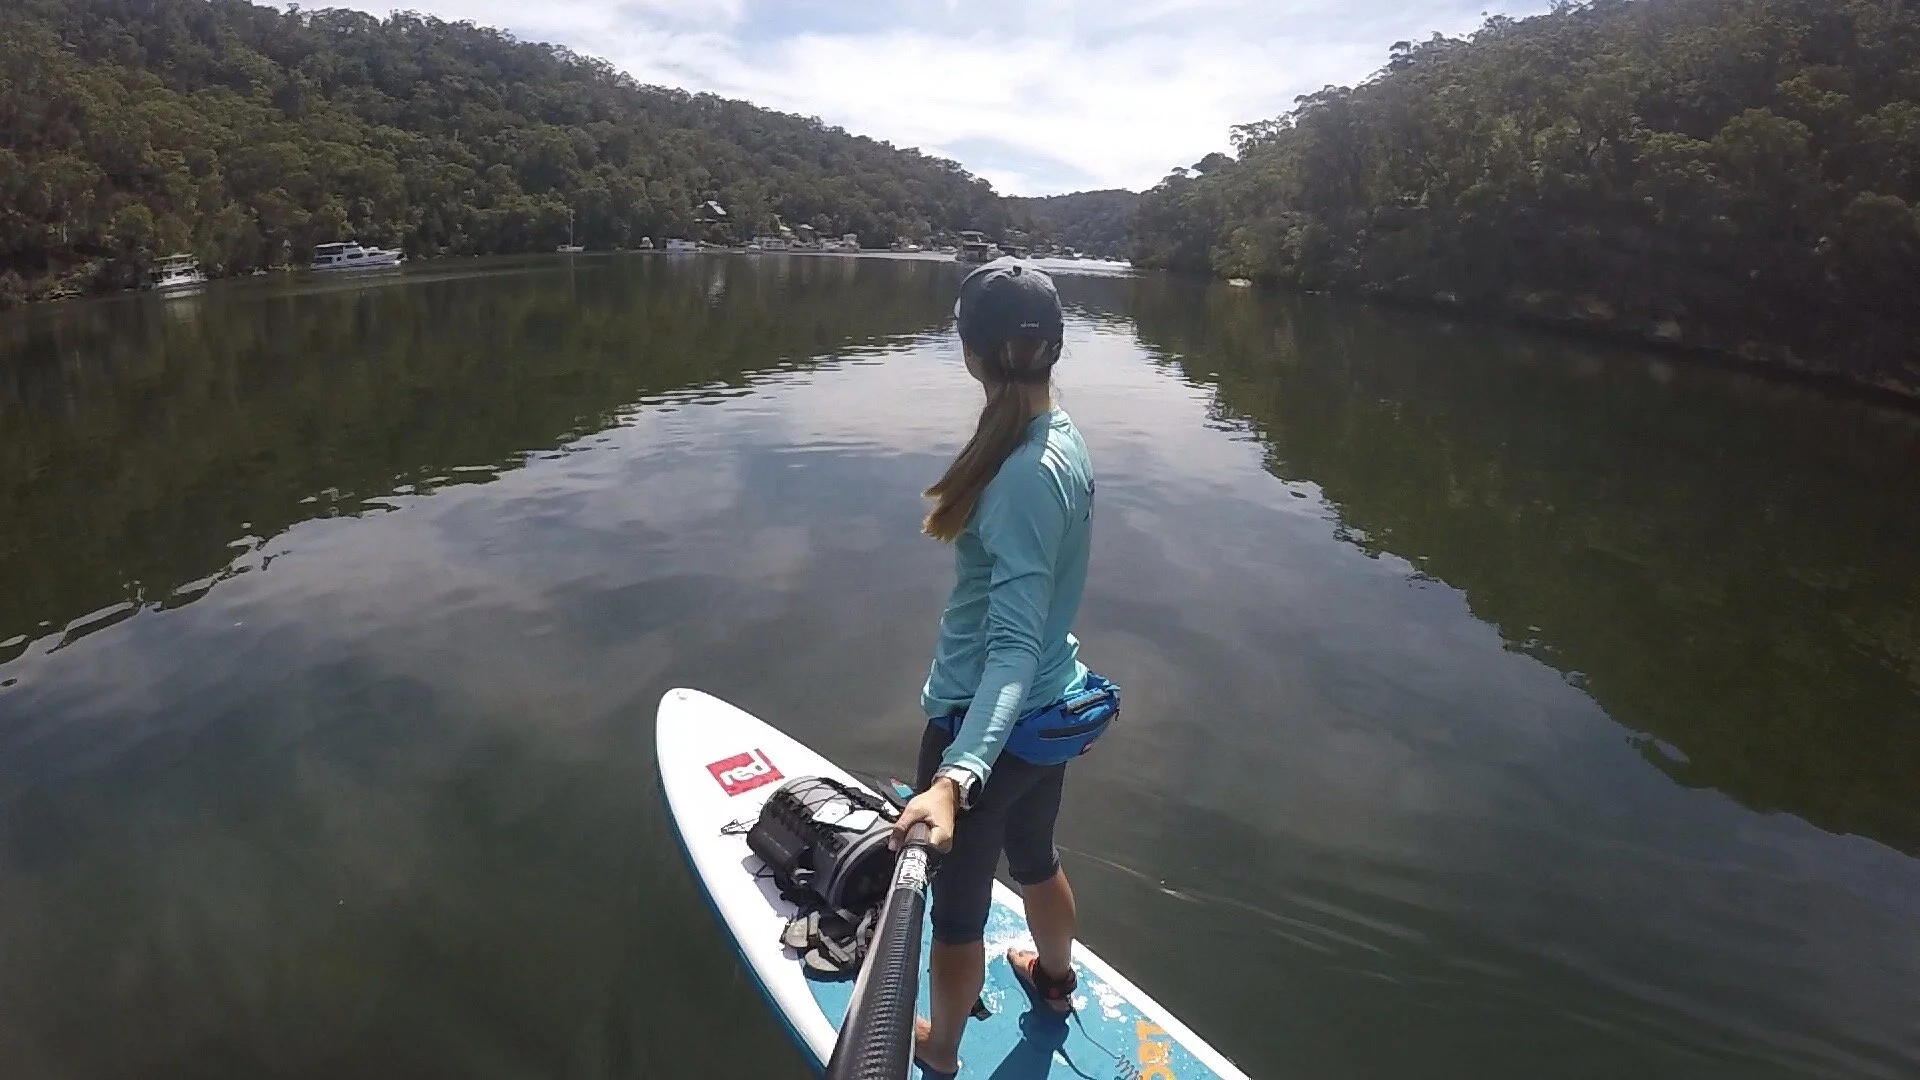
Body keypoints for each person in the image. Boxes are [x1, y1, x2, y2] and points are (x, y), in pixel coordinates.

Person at [890, 264, 1119, 1076]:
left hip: (982, 725)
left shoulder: (1020, 473)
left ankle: (941, 1049)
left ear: (970, 353)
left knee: (956, 916)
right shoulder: (1061, 439)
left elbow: (1011, 647)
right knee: (1035, 859)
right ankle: (1053, 982)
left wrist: (954, 780)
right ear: (1054, 347)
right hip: (1048, 714)